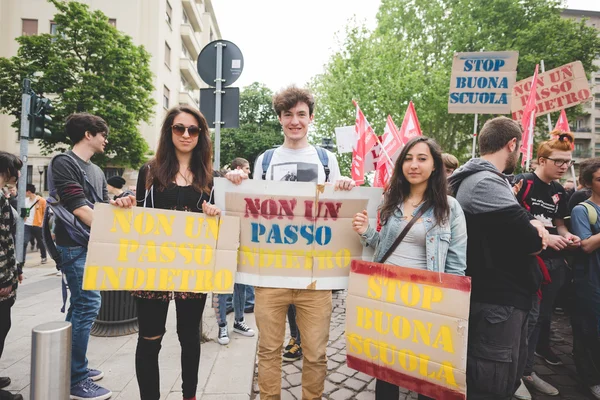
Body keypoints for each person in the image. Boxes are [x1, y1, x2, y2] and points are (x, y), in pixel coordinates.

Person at [226, 85, 355, 399]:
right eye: (288, 115)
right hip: (270, 276)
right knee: (269, 351)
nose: (294, 120)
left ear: (310, 118)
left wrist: (345, 187)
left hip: (316, 279)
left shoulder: (327, 160)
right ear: (280, 119)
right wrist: (236, 184)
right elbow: (250, 211)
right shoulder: (266, 161)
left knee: (316, 354)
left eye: (301, 114)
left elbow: (338, 216)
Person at [353, 136, 467, 399]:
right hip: (387, 296)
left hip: (426, 301)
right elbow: (384, 246)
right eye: (408, 158)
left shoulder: (450, 208)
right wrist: (367, 232)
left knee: (426, 375)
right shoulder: (392, 201)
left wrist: (446, 310)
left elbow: (456, 266)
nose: (414, 165)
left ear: (435, 166)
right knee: (386, 369)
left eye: (422, 158)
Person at [120, 105, 221, 400]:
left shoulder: (212, 178)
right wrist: (126, 202)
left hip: (194, 266)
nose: (186, 134)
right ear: (169, 131)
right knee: (150, 339)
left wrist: (215, 212)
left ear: (201, 134)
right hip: (153, 266)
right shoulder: (149, 171)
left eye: (193, 129)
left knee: (190, 338)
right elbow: (139, 211)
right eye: (179, 128)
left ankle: (189, 395)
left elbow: (224, 222)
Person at [448, 116, 549, 400]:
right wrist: (536, 229)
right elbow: (531, 240)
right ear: (512, 144)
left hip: (501, 298)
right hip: (497, 301)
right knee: (492, 385)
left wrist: (532, 226)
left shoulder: (487, 179)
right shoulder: (484, 183)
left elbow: (523, 226)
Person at [511, 132, 579, 398]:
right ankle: (514, 375)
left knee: (540, 320)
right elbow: (513, 219)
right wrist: (544, 237)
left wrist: (567, 236)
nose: (564, 167)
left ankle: (527, 371)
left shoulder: (559, 191)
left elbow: (560, 224)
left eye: (568, 162)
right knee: (522, 320)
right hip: (524, 263)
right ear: (542, 160)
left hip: (552, 267)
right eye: (559, 161)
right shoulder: (523, 182)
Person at [50, 113, 112, 400]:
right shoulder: (63, 162)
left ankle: (72, 367)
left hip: (92, 244)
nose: (105, 139)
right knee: (88, 302)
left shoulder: (97, 171)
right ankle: (76, 379)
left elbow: (105, 207)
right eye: (102, 134)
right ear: (88, 134)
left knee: (80, 305)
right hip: (72, 245)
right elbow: (79, 208)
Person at [569, 158, 600, 400]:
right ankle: (589, 378)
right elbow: (586, 245)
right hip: (589, 280)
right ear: (589, 183)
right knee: (588, 330)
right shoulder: (583, 210)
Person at [0, 151, 24, 400]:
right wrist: (4, 280)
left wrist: (15, 269)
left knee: (3, 325)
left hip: (6, 273)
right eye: (15, 170)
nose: (17, 175)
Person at [22, 184, 47, 264]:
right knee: (24, 242)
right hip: (27, 225)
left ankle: (43, 256)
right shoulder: (25, 201)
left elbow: (45, 213)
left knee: (40, 241)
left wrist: (42, 223)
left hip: (37, 224)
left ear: (28, 192)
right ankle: (22, 260)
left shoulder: (41, 200)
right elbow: (24, 213)